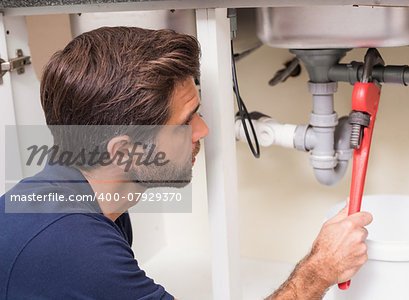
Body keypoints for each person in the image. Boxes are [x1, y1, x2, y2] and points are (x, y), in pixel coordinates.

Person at [0, 27, 372, 300]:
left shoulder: (85, 197)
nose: (204, 129)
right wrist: (319, 269)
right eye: (185, 122)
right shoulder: (75, 246)